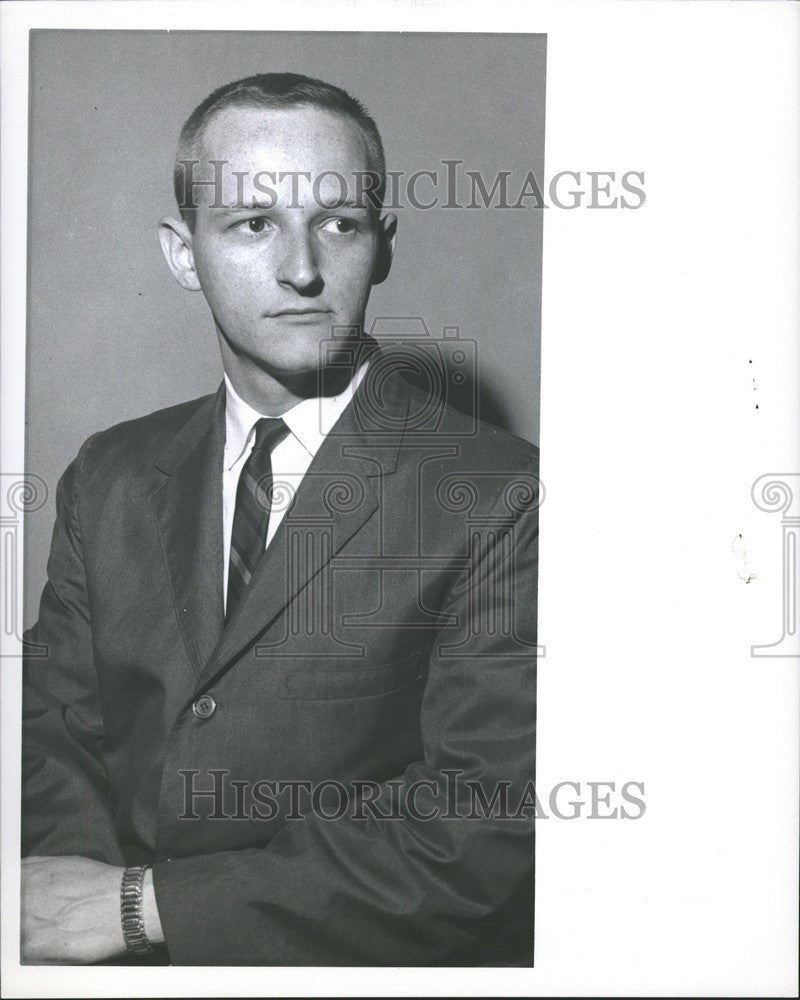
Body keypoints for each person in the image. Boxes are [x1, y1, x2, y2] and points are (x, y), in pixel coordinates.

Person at [20, 72, 539, 966]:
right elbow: (49, 730)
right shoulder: (110, 473)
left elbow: (477, 826)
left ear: (383, 247)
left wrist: (139, 909)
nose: (301, 269)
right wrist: (77, 913)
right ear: (184, 255)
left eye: (338, 222)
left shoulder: (499, 492)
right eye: (253, 222)